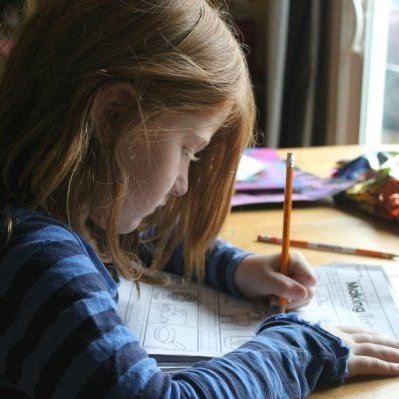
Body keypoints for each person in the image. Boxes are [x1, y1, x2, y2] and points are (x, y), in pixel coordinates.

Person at [0, 1, 398, 398]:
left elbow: (134, 235)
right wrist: (300, 348)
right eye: (187, 149)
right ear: (114, 114)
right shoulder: (39, 263)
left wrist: (234, 265)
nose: (182, 185)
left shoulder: (48, 201)